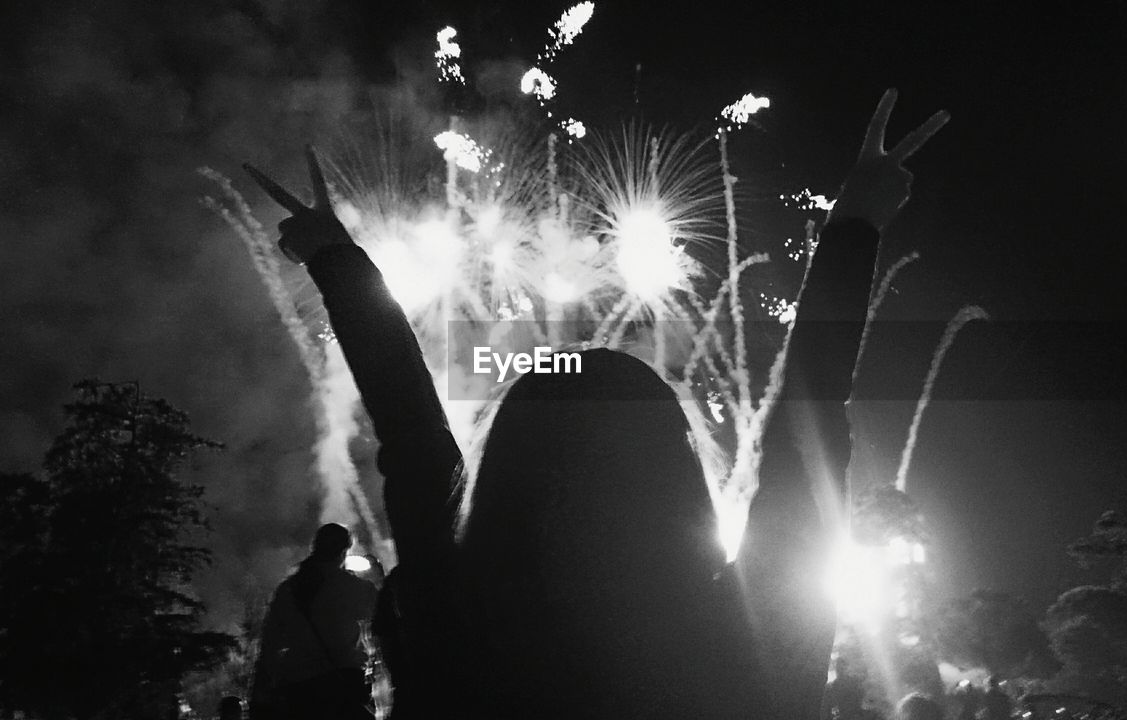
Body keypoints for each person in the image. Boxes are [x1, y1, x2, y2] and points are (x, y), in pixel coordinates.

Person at [246, 89, 948, 719]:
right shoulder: (749, 632)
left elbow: (412, 430)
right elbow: (807, 428)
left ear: (506, 466)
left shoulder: (451, 617)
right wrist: (854, 225)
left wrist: (335, 260)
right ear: (671, 468)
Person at [251, 524, 377, 720]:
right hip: (344, 686)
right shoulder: (355, 588)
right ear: (344, 551)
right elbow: (379, 619)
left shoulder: (288, 590)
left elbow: (270, 644)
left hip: (301, 689)